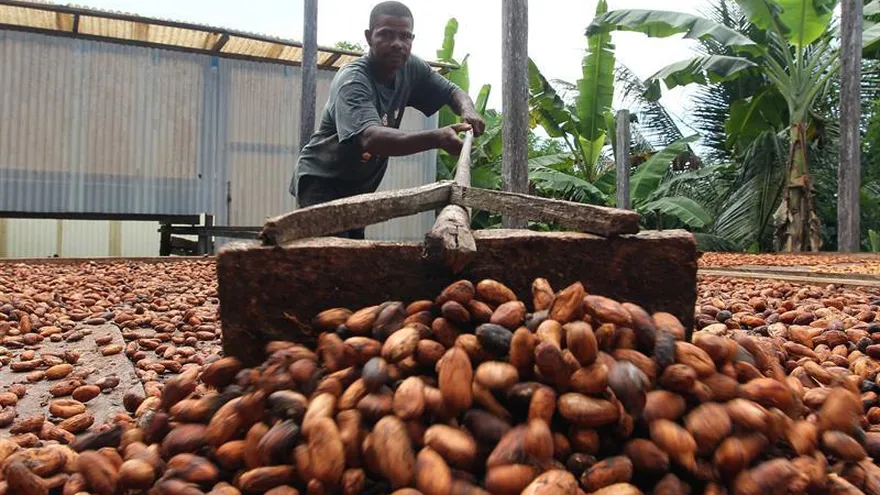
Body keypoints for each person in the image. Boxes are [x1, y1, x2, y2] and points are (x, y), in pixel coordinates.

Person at [289, 0, 485, 239]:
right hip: (323, 181)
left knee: (351, 256)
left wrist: (469, 109)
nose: (397, 44)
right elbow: (372, 138)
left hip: (358, 187)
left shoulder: (411, 68)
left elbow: (451, 91)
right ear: (369, 36)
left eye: (405, 36)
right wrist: (437, 137)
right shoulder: (353, 80)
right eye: (386, 35)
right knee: (327, 259)